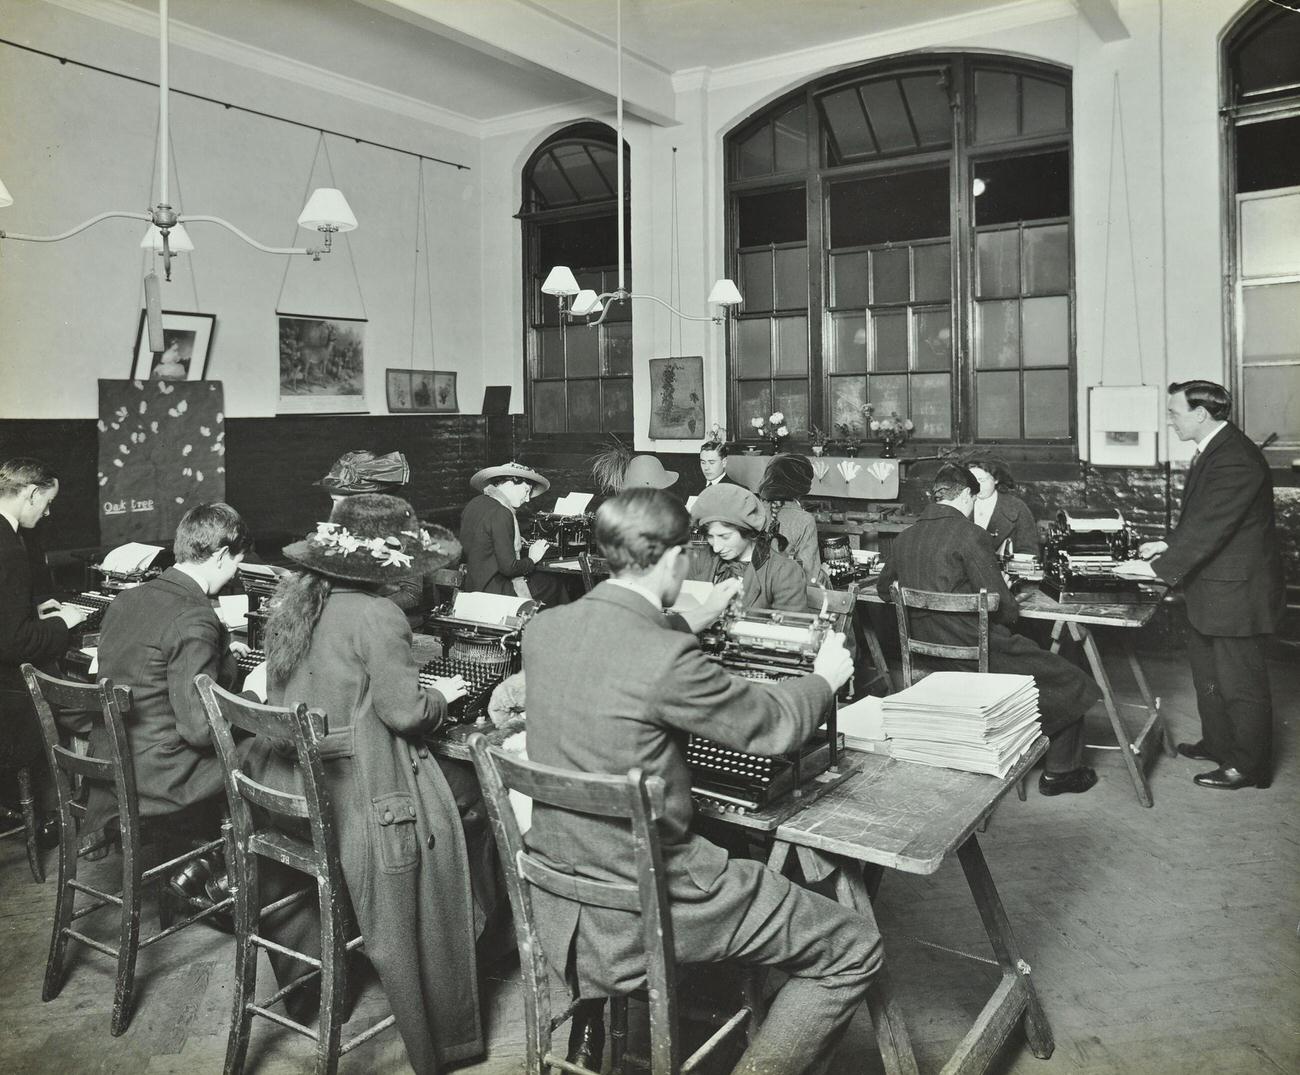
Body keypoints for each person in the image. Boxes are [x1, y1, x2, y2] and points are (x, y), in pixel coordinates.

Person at [523, 488, 881, 1075]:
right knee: (854, 947)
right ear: (676, 559)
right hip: (654, 901)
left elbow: (619, 656)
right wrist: (823, 679)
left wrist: (691, 619)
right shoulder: (665, 657)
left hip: (561, 896)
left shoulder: (546, 630)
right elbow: (770, 726)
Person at [246, 494, 485, 1072]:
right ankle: (458, 985)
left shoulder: (297, 600)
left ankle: (330, 975)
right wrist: (438, 697)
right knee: (468, 811)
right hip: (356, 802)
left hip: (290, 794)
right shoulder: (378, 615)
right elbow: (404, 713)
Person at [877, 464, 1102, 795]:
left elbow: (886, 590)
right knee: (1072, 679)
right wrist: (1003, 589)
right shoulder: (971, 535)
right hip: (975, 652)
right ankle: (1060, 773)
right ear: (967, 496)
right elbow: (1006, 609)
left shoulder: (905, 537)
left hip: (927, 653)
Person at [83, 503, 252, 876]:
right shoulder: (195, 615)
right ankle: (223, 878)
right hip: (158, 778)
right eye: (237, 562)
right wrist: (253, 696)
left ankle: (205, 866)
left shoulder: (127, 599)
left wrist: (223, 652)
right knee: (265, 751)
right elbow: (200, 731)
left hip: (113, 765)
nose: (235, 572)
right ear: (222, 555)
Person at [1134, 380, 1285, 791]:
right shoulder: (1215, 450)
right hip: (1214, 588)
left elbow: (1211, 526)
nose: (1170, 421)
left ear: (1201, 414)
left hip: (1236, 593)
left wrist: (1157, 570)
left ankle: (1248, 765)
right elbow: (1204, 519)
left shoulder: (1235, 457)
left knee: (1240, 683)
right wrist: (1168, 543)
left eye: (1174, 413)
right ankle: (1220, 745)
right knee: (1210, 677)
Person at [0, 458, 86, 840]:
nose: (48, 511)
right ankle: (57, 815)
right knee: (65, 705)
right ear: (32, 494)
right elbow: (14, 643)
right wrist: (62, 624)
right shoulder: (10, 546)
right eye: (47, 502)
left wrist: (29, 610)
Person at [316, 449, 429, 626]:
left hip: (390, 623)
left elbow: (412, 594)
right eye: (333, 501)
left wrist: (365, 611)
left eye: (338, 503)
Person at [459, 460, 566, 605]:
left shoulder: (474, 503)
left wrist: (508, 538)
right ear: (509, 484)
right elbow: (509, 569)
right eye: (526, 491)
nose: (527, 499)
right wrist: (533, 558)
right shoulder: (502, 512)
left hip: (472, 586)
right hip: (496, 592)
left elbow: (481, 543)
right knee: (556, 584)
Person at [689, 483, 807, 612]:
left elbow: (788, 628)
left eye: (724, 536)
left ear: (747, 532)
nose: (716, 548)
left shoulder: (784, 572)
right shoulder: (700, 560)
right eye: (710, 536)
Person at [758, 453, 823, 582]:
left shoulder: (754, 509)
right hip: (786, 595)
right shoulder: (804, 520)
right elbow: (811, 576)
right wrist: (825, 574)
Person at [965, 455, 1040, 557]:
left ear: (996, 479)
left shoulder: (1017, 508)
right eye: (972, 481)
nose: (976, 486)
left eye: (982, 480)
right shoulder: (960, 505)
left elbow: (1029, 552)